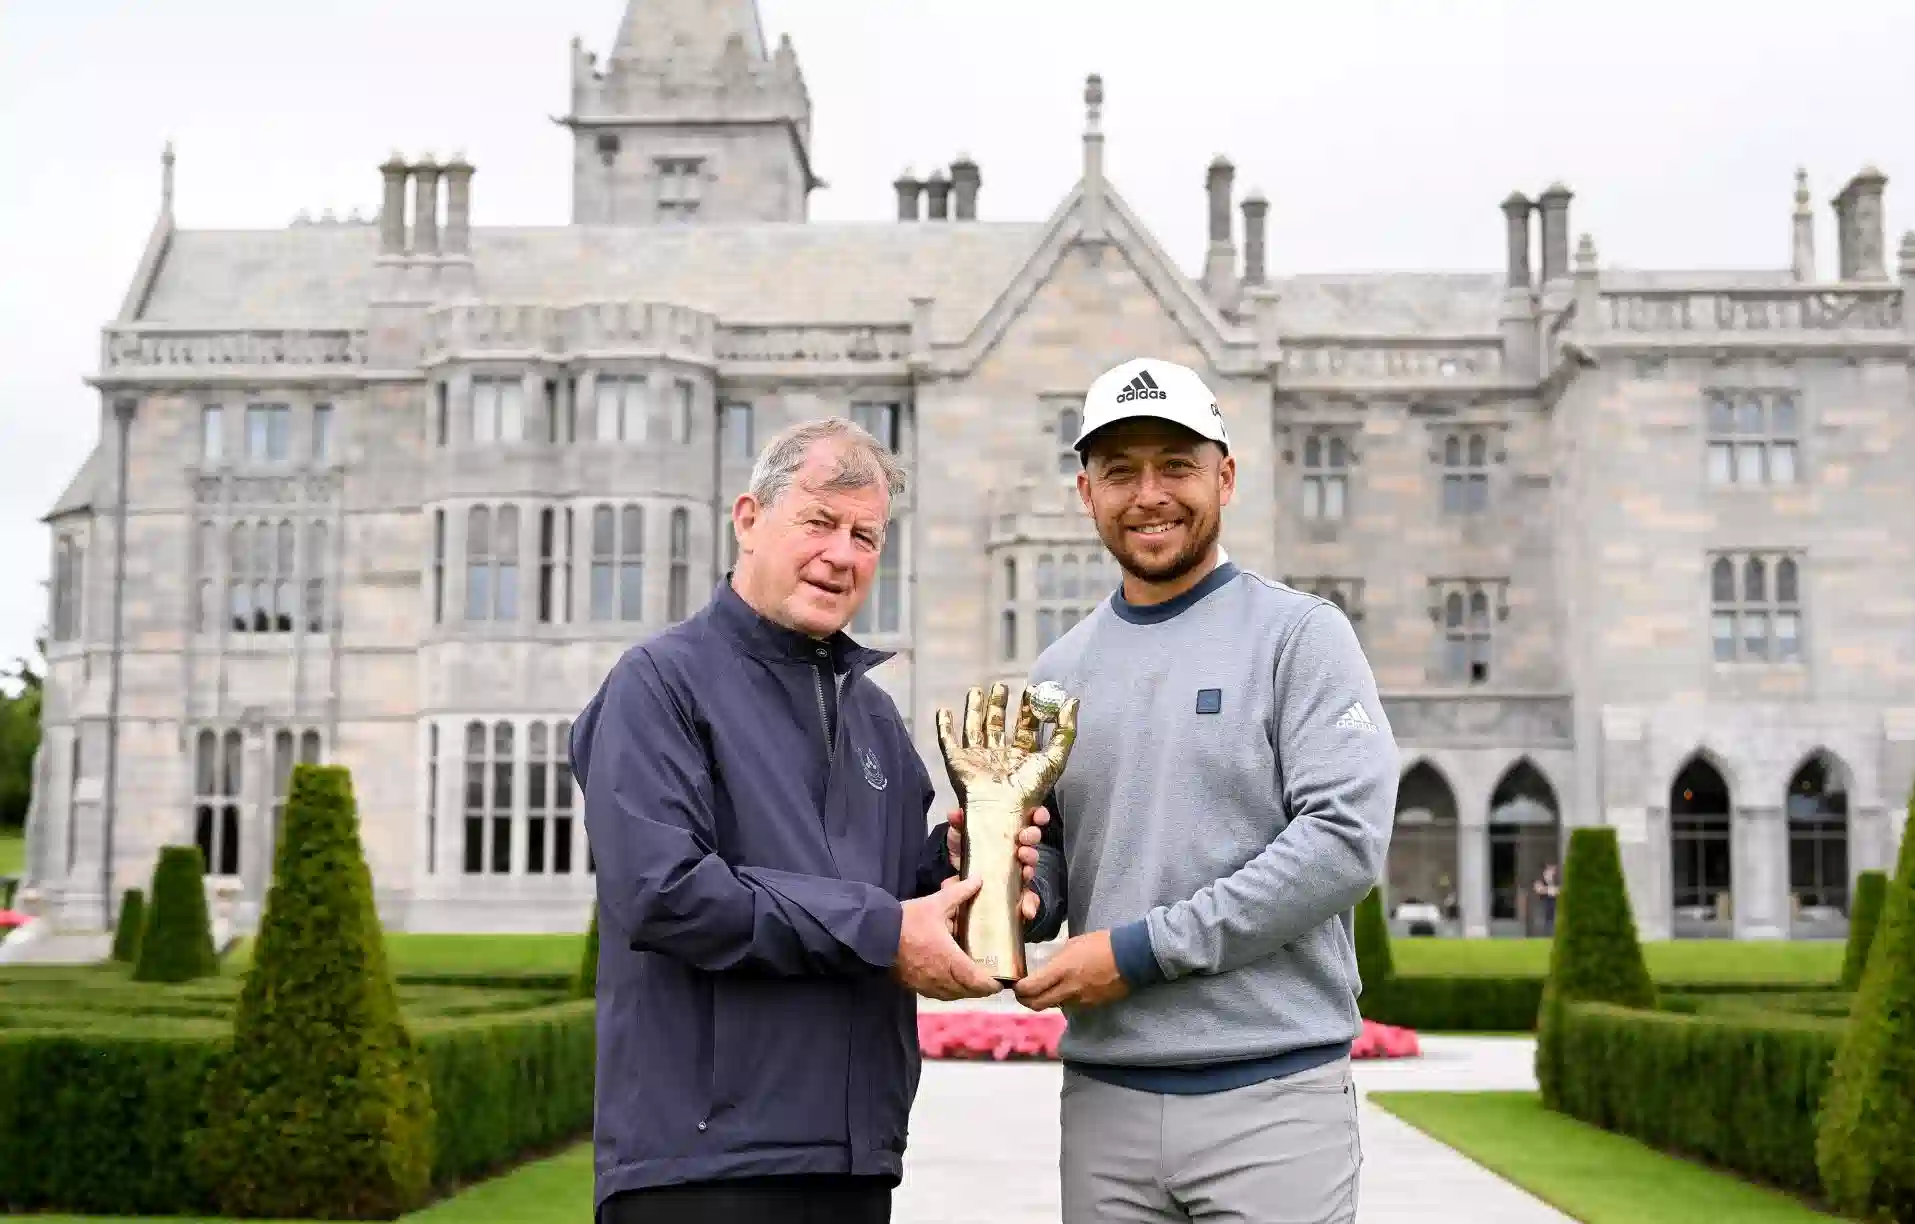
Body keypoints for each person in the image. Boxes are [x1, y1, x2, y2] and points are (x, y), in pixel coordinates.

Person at [570, 417, 1045, 1224]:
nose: (842, 554)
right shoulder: (659, 684)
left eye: (865, 535)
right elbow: (665, 891)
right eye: (819, 522)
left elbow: (892, 898)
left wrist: (972, 873)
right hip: (701, 1170)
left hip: (851, 1160)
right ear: (749, 519)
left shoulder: (873, 715)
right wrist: (887, 928)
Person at [1005, 357, 1401, 1223]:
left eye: (1175, 466)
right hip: (1105, 1100)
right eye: (1120, 472)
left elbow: (1340, 845)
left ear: (1224, 476)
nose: (1149, 494)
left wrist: (1137, 953)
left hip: (1272, 1099)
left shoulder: (1299, 636)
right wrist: (1013, 883)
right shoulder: (1057, 671)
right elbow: (1064, 858)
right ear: (1086, 492)